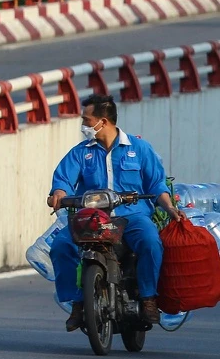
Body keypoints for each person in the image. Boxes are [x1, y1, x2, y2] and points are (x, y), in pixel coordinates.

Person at [46, 94, 184, 331]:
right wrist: (58, 193)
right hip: (90, 218)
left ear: (104, 121)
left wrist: (169, 207)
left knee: (151, 242)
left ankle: (149, 297)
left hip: (133, 216)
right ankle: (77, 302)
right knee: (61, 246)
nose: (84, 126)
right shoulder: (81, 152)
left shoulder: (140, 149)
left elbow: (156, 185)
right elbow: (63, 180)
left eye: (87, 120)